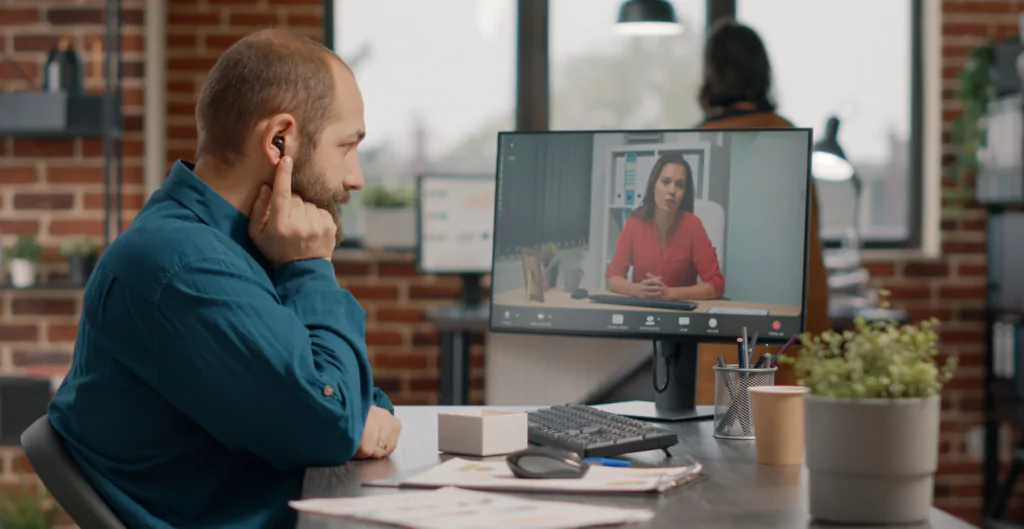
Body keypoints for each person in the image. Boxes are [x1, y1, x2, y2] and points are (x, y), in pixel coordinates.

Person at [47, 29, 400, 529]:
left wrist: (347, 410)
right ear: (281, 140)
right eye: (347, 146)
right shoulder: (186, 267)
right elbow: (334, 420)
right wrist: (310, 268)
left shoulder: (235, 246)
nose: (356, 177)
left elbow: (345, 394)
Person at [693, 19, 830, 401]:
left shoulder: (695, 143)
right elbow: (810, 259)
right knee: (780, 447)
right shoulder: (788, 138)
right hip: (784, 336)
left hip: (712, 339)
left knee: (714, 439)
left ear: (711, 74)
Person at [606, 153, 725, 301]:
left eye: (679, 185)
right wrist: (636, 290)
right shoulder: (635, 222)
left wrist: (670, 294)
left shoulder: (693, 226)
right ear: (653, 186)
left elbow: (716, 285)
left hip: (680, 313)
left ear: (684, 193)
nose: (672, 191)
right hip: (642, 308)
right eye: (666, 182)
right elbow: (613, 276)